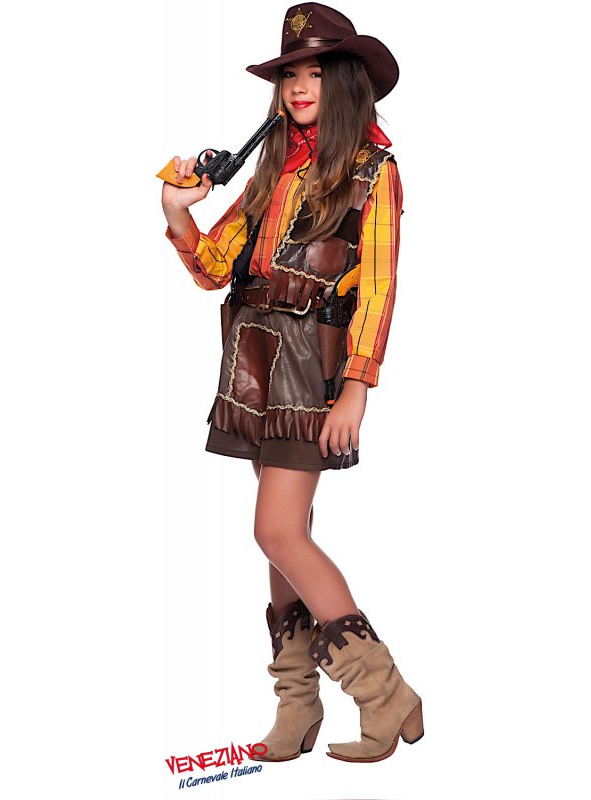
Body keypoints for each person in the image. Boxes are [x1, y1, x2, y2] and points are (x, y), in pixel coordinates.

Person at [160, 3, 423, 764]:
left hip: (312, 367)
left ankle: (386, 696)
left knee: (276, 530)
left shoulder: (373, 171)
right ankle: (296, 707)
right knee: (285, 539)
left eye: (315, 73)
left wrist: (357, 388)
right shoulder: (273, 168)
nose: (300, 87)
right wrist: (177, 212)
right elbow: (214, 268)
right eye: (290, 75)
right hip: (252, 361)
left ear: (344, 83)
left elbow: (378, 288)